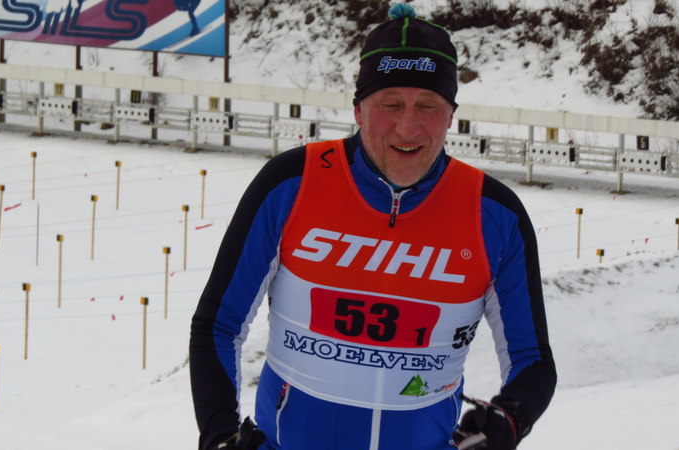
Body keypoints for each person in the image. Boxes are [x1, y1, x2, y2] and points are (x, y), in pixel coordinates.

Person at [189, 3, 556, 449]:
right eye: (390, 104)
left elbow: (532, 359)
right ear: (359, 110)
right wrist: (220, 435)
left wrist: (509, 419)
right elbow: (219, 324)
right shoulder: (291, 183)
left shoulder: (495, 214)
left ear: (451, 115)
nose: (408, 127)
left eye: (428, 105)